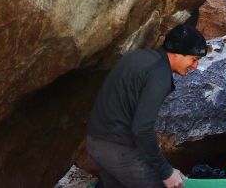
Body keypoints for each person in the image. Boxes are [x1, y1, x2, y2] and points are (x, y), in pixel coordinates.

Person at [86, 24, 207, 188]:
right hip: (118, 150)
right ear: (178, 53)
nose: (195, 66)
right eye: (193, 59)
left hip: (95, 142)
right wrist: (166, 172)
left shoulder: (139, 57)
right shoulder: (159, 76)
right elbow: (141, 129)